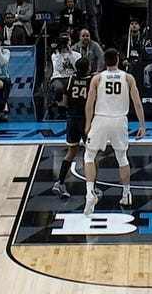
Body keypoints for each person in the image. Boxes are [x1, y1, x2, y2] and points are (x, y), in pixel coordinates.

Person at [83, 49, 146, 216]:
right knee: (122, 157)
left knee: (89, 156)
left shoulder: (97, 78)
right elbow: (137, 102)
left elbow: (89, 103)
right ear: (117, 59)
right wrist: (142, 124)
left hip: (101, 119)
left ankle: (90, 192)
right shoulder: (128, 77)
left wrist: (88, 123)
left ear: (105, 60)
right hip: (120, 120)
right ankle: (126, 194)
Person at [52, 57, 94, 199]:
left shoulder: (70, 80)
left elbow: (63, 102)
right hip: (85, 120)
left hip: (71, 119)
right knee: (92, 154)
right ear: (88, 68)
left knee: (71, 152)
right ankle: (93, 188)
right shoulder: (91, 81)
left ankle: (60, 182)